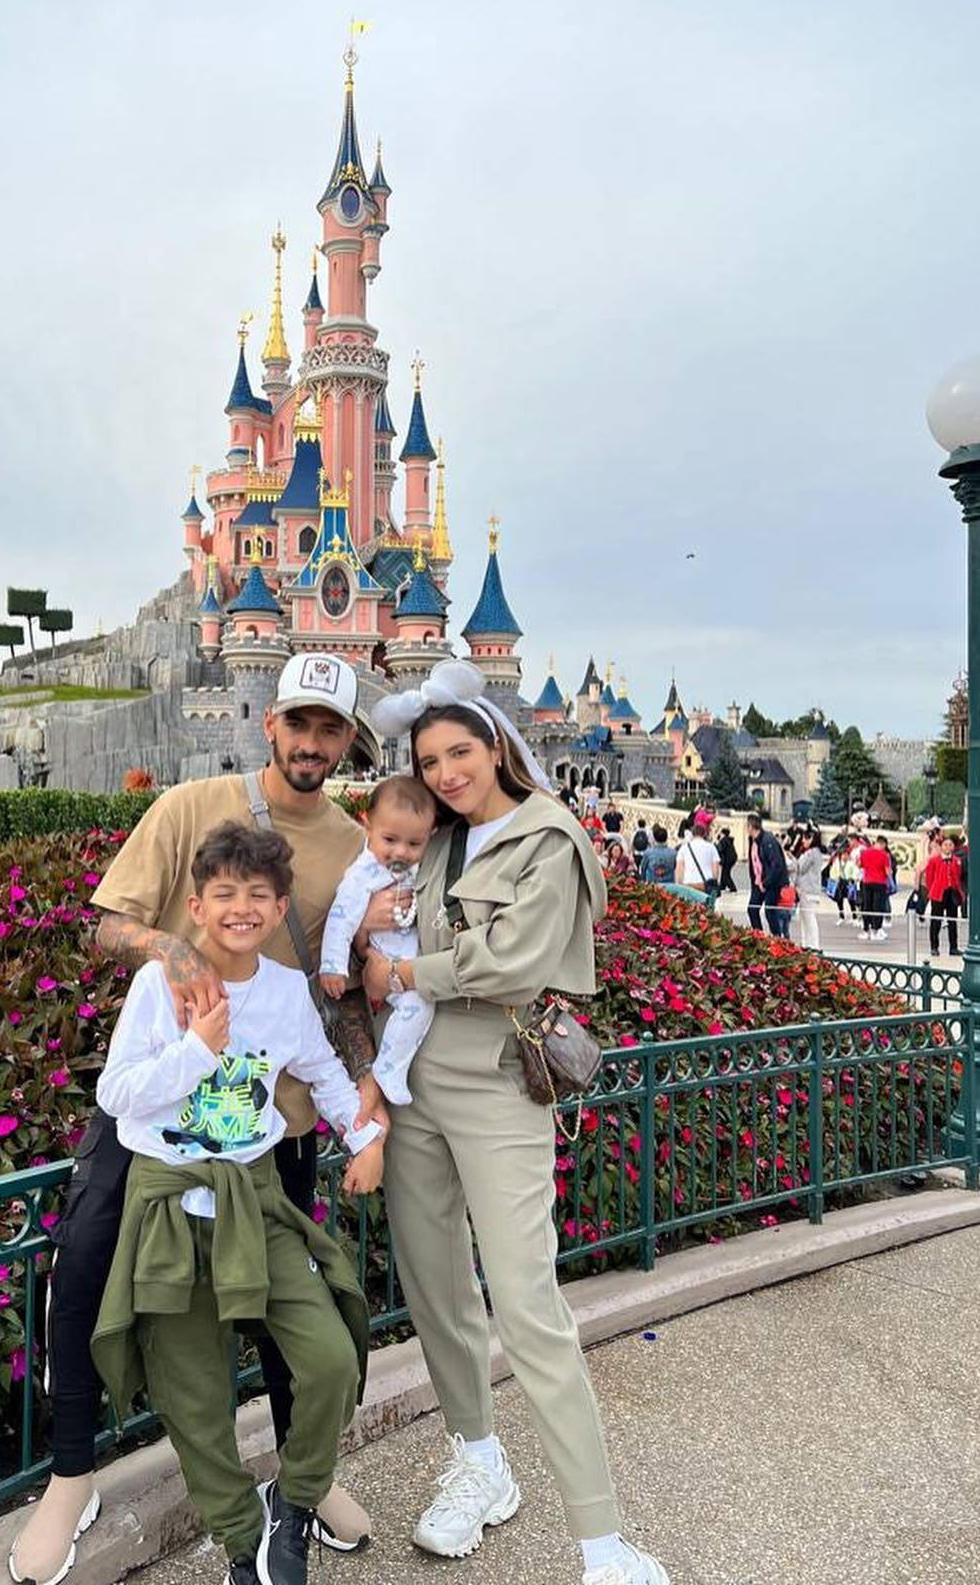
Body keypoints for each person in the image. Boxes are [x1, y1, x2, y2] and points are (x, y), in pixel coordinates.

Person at [10, 652, 388, 1585]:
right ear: (269, 722)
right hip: (163, 1124)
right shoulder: (191, 807)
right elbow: (109, 921)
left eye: (329, 728)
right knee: (90, 1276)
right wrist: (177, 962)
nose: (310, 743)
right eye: (297, 723)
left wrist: (368, 1090)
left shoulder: (352, 842)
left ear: (348, 740)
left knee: (284, 1311)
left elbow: (339, 992)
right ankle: (71, 1475)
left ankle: (301, 1486)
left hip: (272, 1124)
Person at [366, 661, 670, 1585]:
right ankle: (478, 1461)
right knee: (434, 1287)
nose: (448, 771)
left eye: (461, 750)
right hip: (415, 1079)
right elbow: (391, 922)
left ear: (496, 743)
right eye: (431, 759)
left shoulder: (551, 836)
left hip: (497, 1078)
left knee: (528, 1304)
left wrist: (410, 973)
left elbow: (513, 962)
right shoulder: (440, 842)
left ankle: (601, 1539)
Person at [90, 823, 384, 1585]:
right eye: (225, 894)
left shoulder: (286, 992)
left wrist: (365, 1138)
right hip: (170, 1206)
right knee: (193, 1397)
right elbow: (115, 1094)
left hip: (253, 1200)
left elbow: (321, 1072)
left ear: (280, 903)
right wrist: (197, 1053)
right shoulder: (159, 986)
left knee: (326, 1359)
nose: (242, 909)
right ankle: (241, 1543)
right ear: (195, 905)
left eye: (259, 895)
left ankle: (294, 1504)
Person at [319, 775, 437, 1105]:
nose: (400, 851)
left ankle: (390, 1067)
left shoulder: (413, 869)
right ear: (367, 827)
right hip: (385, 957)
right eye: (390, 840)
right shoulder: (364, 874)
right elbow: (340, 918)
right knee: (417, 1005)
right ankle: (388, 1068)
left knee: (418, 1007)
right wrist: (332, 965)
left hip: (406, 959)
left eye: (414, 844)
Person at [922, 834, 965, 957]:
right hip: (938, 893)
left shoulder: (957, 860)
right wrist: (932, 891)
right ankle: (934, 947)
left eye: (950, 845)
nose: (948, 847)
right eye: (945, 845)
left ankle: (953, 947)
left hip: (952, 892)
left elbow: (958, 876)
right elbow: (929, 878)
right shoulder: (934, 860)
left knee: (952, 921)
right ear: (941, 847)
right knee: (936, 921)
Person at [746, 813, 787, 936]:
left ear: (751, 826)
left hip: (771, 882)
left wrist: (766, 882)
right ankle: (760, 937)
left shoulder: (768, 840)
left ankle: (778, 939)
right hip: (759, 882)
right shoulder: (753, 841)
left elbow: (777, 865)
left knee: (770, 912)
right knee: (752, 909)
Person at [794, 827, 826, 951]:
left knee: (809, 917)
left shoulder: (811, 853)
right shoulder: (815, 852)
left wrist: (795, 858)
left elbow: (800, 867)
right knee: (805, 917)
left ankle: (813, 944)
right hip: (808, 889)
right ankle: (807, 943)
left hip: (808, 890)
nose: (803, 841)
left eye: (806, 838)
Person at [858, 834, 892, 942]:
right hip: (880, 883)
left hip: (867, 881)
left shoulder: (865, 852)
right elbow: (887, 872)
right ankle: (876, 930)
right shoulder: (884, 855)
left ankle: (865, 929)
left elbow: (859, 865)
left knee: (867, 905)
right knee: (878, 906)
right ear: (883, 844)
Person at [674, 820, 719, 894]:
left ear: (692, 833)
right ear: (704, 833)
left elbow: (679, 869)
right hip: (705, 883)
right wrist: (714, 882)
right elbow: (715, 868)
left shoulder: (684, 848)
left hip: (688, 883)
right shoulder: (711, 847)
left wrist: (679, 884)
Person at [715, 827, 738, 894]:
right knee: (724, 872)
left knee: (725, 874)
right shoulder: (728, 840)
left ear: (723, 834)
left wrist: (716, 843)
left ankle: (732, 887)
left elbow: (720, 849)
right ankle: (722, 886)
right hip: (731, 859)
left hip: (728, 860)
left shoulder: (724, 840)